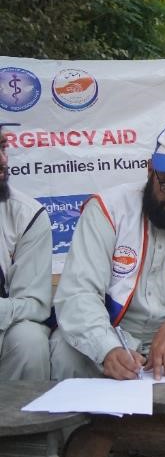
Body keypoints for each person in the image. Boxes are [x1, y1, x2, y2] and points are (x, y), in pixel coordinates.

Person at [51, 125, 165, 380]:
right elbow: (79, 292)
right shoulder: (108, 209)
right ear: (150, 171)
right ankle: (77, 422)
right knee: (64, 348)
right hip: (117, 334)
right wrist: (107, 347)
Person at [0, 123, 53, 380]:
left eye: (2, 147)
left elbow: (34, 305)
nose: (2, 160)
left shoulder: (26, 214)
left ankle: (25, 420)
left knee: (30, 341)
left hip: (2, 327)